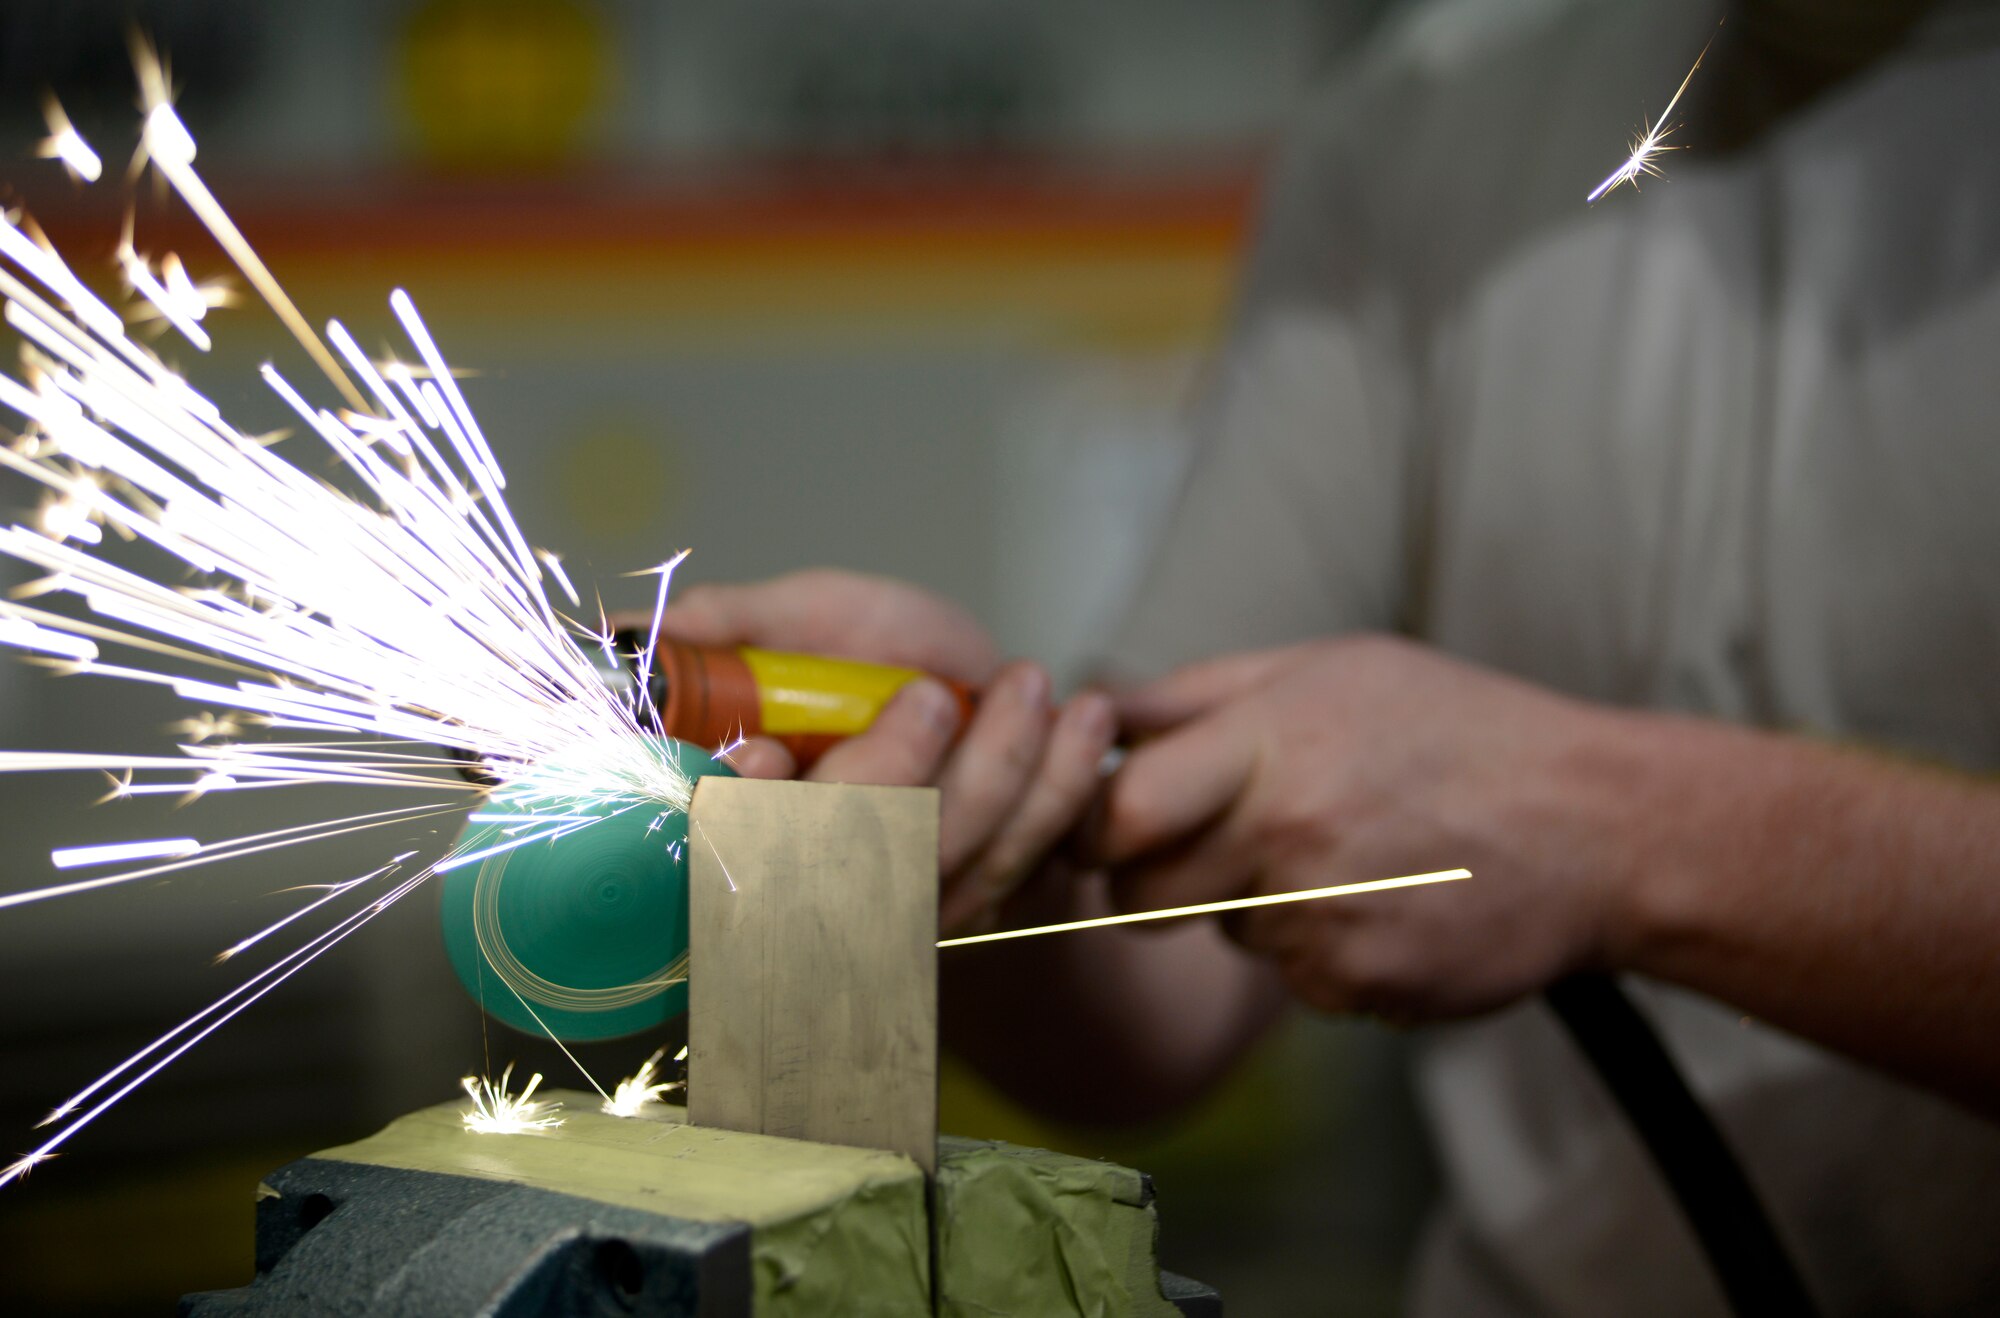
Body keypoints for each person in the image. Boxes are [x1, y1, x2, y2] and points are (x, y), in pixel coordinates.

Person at [656, 1, 2000, 1313]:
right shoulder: (1441, 106)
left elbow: (1550, 821)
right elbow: (1162, 990)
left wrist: (1610, 829)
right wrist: (994, 827)